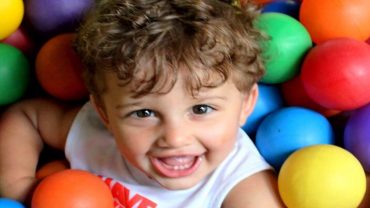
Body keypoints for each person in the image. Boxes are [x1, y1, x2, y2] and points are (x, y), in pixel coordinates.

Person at [0, 0, 284, 207]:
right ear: (104, 113)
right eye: (144, 112)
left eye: (201, 109)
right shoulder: (94, 132)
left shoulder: (240, 187)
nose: (174, 138)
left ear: (246, 105)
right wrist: (19, 190)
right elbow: (27, 118)